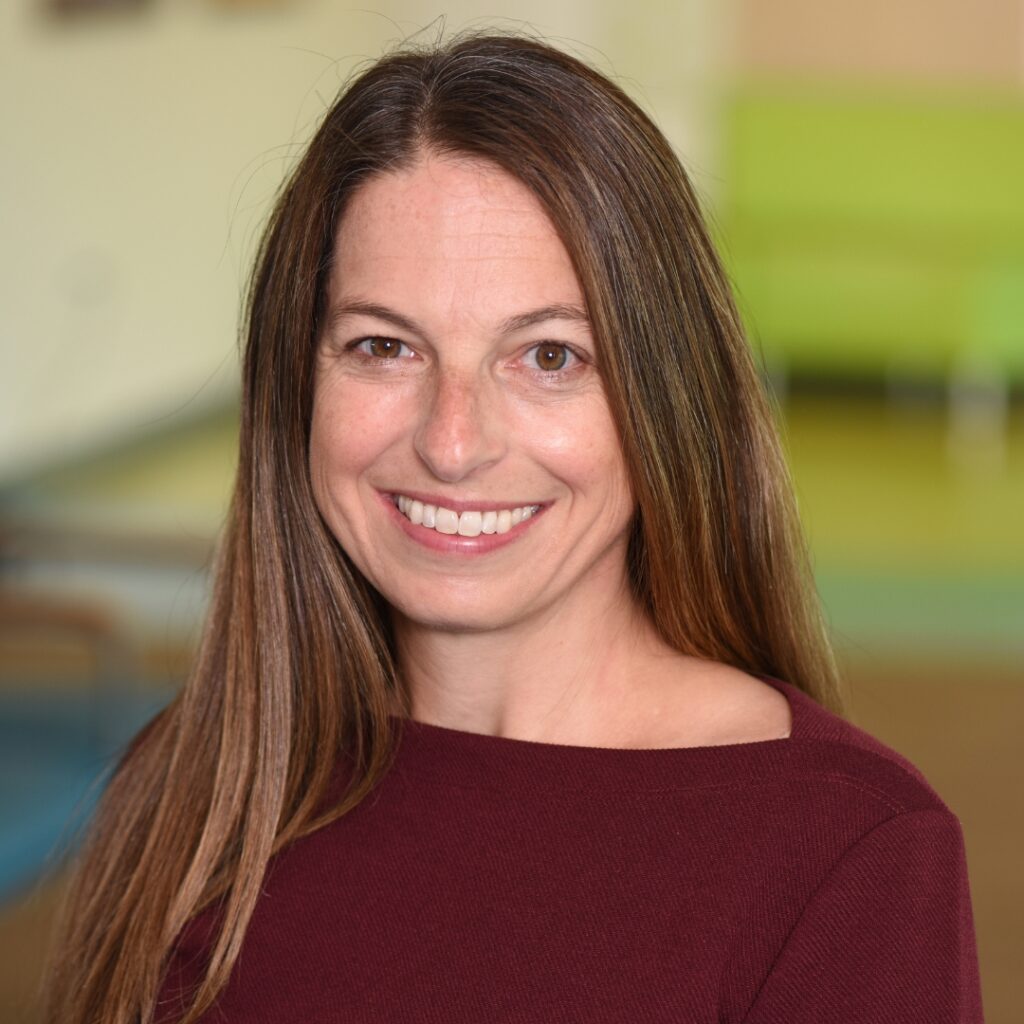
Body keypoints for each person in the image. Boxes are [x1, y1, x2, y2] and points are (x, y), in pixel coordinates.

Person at [44, 31, 983, 1024]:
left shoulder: (849, 851)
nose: (454, 442)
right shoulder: (189, 784)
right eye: (383, 345)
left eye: (548, 357)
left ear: (665, 395)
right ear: (297, 388)